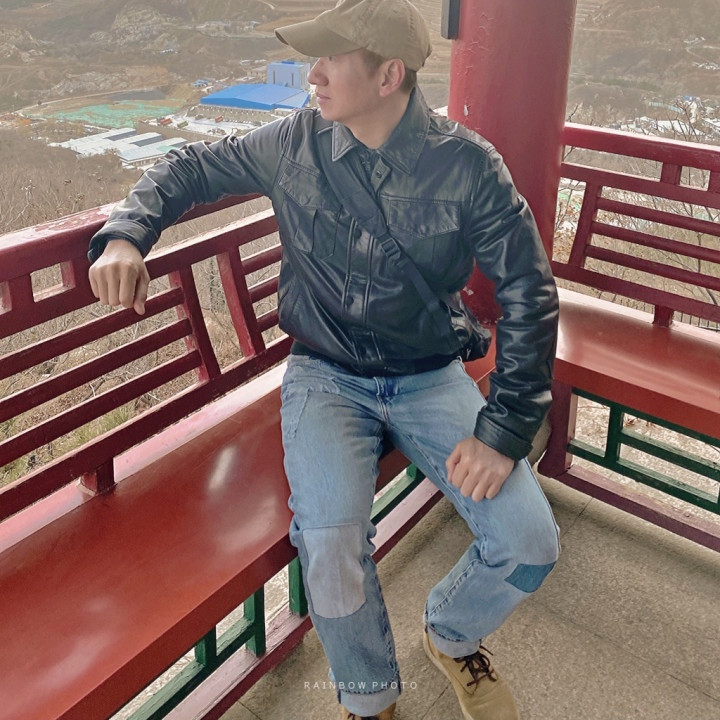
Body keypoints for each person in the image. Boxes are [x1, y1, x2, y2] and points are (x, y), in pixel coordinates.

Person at [87, 1, 560, 718]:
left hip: (429, 374)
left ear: (388, 75)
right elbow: (191, 167)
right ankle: (370, 699)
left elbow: (529, 293)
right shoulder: (294, 144)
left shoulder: (467, 168)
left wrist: (503, 431)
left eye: (331, 59)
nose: (312, 76)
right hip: (325, 375)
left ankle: (450, 632)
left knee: (530, 540)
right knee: (330, 542)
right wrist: (127, 233)